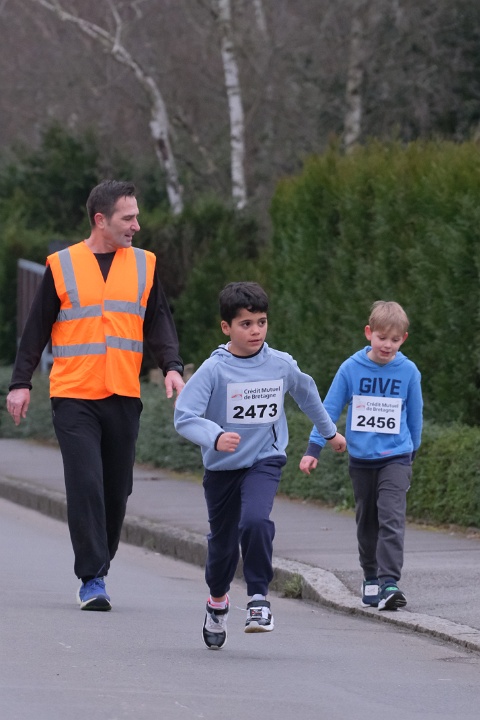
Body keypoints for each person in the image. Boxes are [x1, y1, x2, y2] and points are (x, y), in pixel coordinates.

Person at [6, 180, 184, 611]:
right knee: (85, 483)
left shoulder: (144, 264)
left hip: (123, 393)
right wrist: (20, 383)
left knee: (116, 491)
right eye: (129, 218)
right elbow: (36, 327)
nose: (137, 225)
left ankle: (101, 561)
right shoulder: (63, 265)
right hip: (73, 394)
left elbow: (158, 320)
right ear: (101, 220)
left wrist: (172, 367)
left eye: (137, 217)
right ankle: (92, 577)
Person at [174, 281, 346, 649]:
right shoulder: (214, 369)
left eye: (262, 322)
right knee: (222, 546)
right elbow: (184, 416)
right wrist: (215, 436)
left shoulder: (280, 364)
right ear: (226, 327)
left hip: (264, 459)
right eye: (246, 324)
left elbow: (308, 395)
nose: (255, 331)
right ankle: (217, 601)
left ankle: (257, 599)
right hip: (222, 468)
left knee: (255, 520)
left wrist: (329, 433)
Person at [300, 301, 423, 611]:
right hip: (362, 459)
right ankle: (370, 575)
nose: (387, 345)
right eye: (382, 337)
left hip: (397, 456)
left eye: (395, 340)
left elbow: (415, 416)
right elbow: (329, 409)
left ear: (404, 339)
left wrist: (412, 453)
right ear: (369, 333)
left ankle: (389, 582)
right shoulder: (351, 369)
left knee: (391, 518)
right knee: (367, 520)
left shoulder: (408, 371)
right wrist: (314, 448)